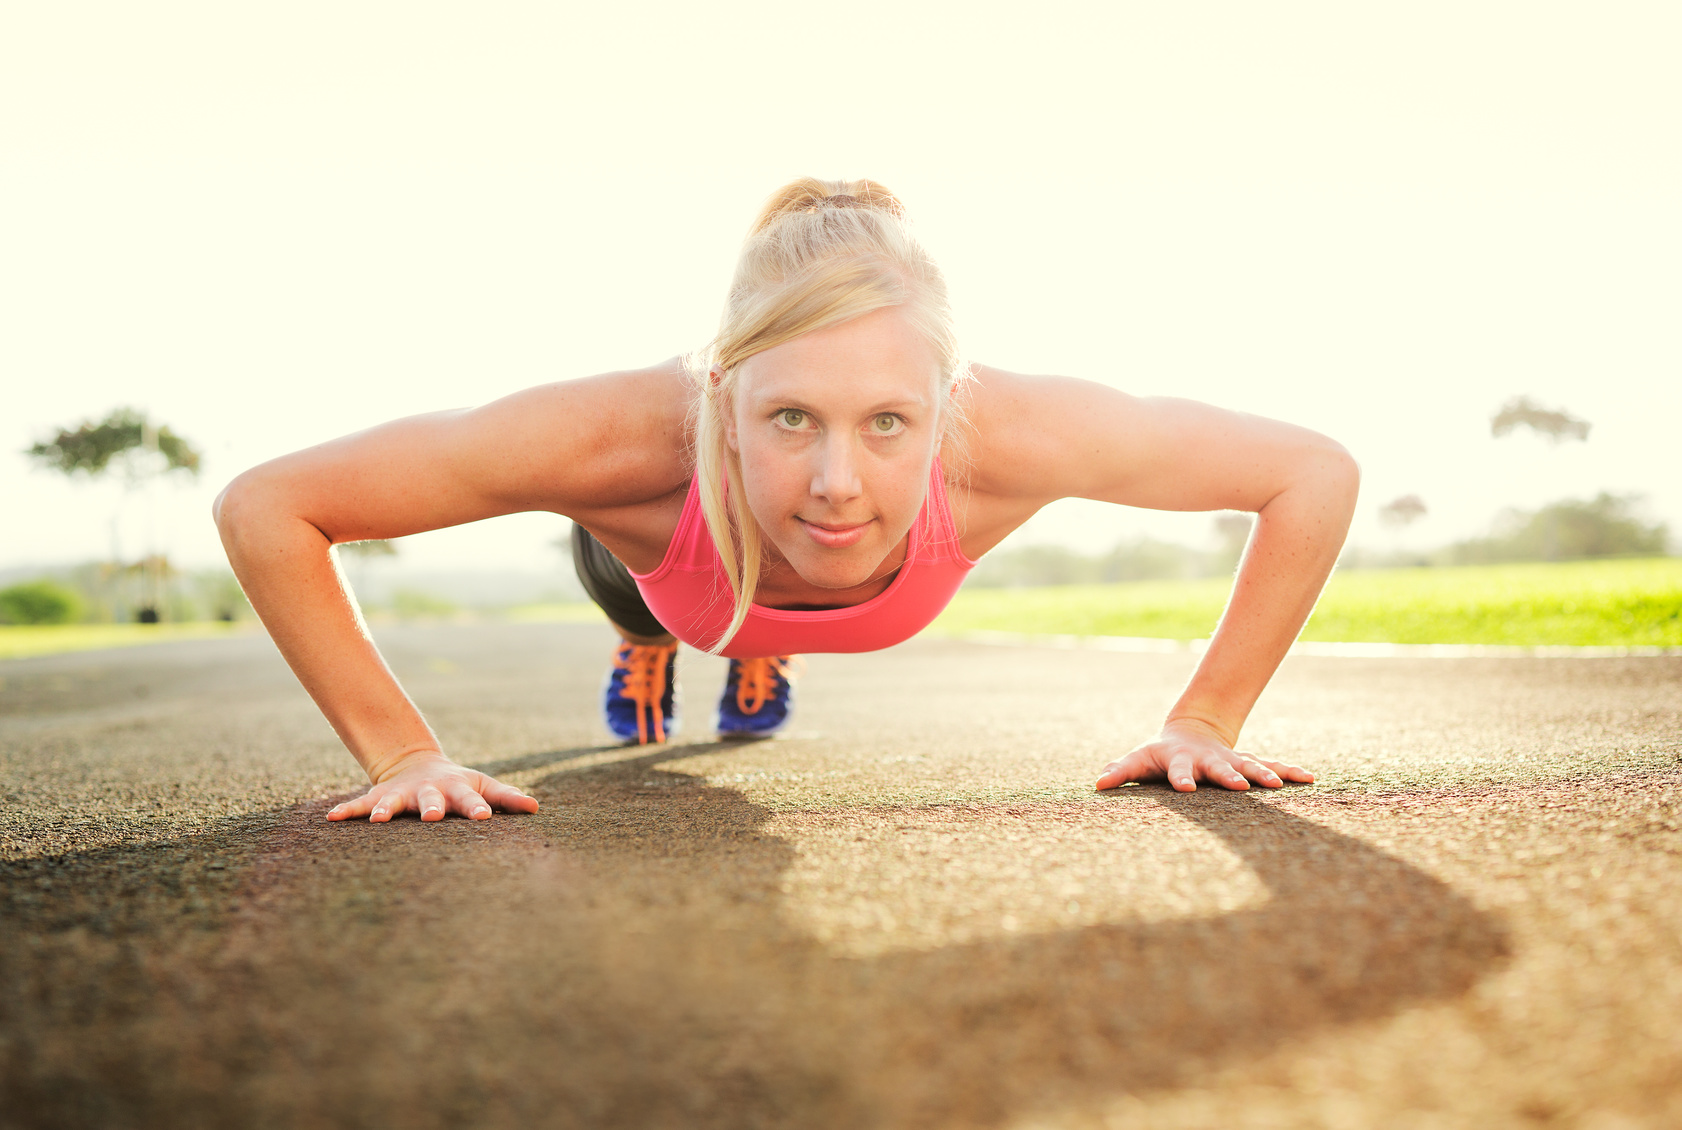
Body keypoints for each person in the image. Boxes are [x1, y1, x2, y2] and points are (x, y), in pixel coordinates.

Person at [214, 177, 1358, 825]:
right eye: (789, 418)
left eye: (887, 423)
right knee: (640, 593)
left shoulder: (1019, 433)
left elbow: (1308, 471)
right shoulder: (618, 438)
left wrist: (1201, 720)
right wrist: (400, 753)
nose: (837, 481)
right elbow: (270, 504)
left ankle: (766, 649)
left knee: (799, 538)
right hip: (662, 572)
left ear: (946, 403)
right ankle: (644, 645)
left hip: (766, 572)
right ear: (723, 391)